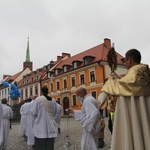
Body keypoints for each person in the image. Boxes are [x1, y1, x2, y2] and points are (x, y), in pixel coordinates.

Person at [99, 49, 150, 150]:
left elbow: (121, 86)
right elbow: (127, 84)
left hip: (132, 117)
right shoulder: (145, 73)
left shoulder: (134, 72)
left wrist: (110, 81)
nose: (125, 63)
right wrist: (117, 78)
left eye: (125, 61)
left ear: (130, 60)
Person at [30, 86, 57, 150]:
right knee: (49, 145)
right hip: (50, 126)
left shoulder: (38, 100)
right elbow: (55, 112)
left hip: (40, 126)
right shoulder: (53, 100)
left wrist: (37, 119)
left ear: (41, 91)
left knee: (40, 146)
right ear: (48, 91)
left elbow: (33, 112)